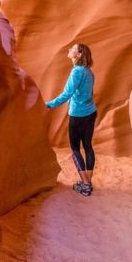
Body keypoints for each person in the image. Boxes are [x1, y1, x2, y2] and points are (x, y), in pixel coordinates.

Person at [45, 43, 97, 196]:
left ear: (79, 54)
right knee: (87, 146)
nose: (69, 50)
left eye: (72, 49)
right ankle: (87, 181)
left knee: (75, 148)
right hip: (91, 112)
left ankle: (86, 184)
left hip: (78, 115)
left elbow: (67, 94)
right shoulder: (89, 72)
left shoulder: (76, 72)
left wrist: (49, 105)